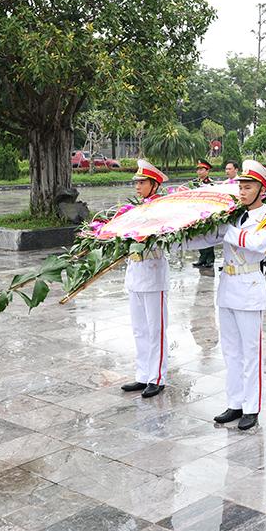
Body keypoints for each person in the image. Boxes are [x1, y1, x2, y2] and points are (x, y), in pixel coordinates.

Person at [183, 160, 266, 430]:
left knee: (251, 352)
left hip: (249, 288)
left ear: (261, 189)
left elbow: (256, 244)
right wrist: (177, 236)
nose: (241, 191)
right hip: (227, 287)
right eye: (240, 186)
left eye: (247, 186)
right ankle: (235, 403)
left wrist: (226, 229)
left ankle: (251, 408)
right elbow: (208, 238)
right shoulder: (233, 217)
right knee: (231, 351)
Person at [122, 160, 171, 399]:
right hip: (135, 274)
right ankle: (142, 374)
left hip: (153, 274)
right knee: (139, 329)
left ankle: (157, 377)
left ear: (154, 185)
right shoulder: (134, 209)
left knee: (156, 329)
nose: (138, 186)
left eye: (142, 182)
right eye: (137, 183)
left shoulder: (163, 209)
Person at [191, 159, 217, 268]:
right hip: (196, 213)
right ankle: (202, 258)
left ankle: (210, 259)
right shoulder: (193, 183)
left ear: (207, 171)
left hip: (208, 213)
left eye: (202, 169)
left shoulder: (212, 184)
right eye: (198, 170)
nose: (199, 172)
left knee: (208, 235)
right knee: (199, 235)